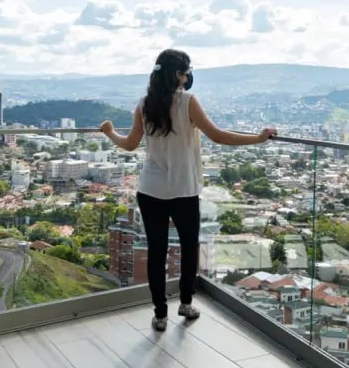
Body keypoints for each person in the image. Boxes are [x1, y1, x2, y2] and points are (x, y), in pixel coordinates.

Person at [100, 49, 277, 331]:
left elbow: (130, 144)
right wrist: (258, 138)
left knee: (156, 252)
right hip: (184, 189)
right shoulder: (188, 101)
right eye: (186, 71)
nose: (188, 76)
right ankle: (185, 302)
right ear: (178, 75)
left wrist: (109, 132)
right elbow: (218, 136)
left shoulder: (144, 105)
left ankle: (160, 314)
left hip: (150, 189)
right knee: (189, 246)